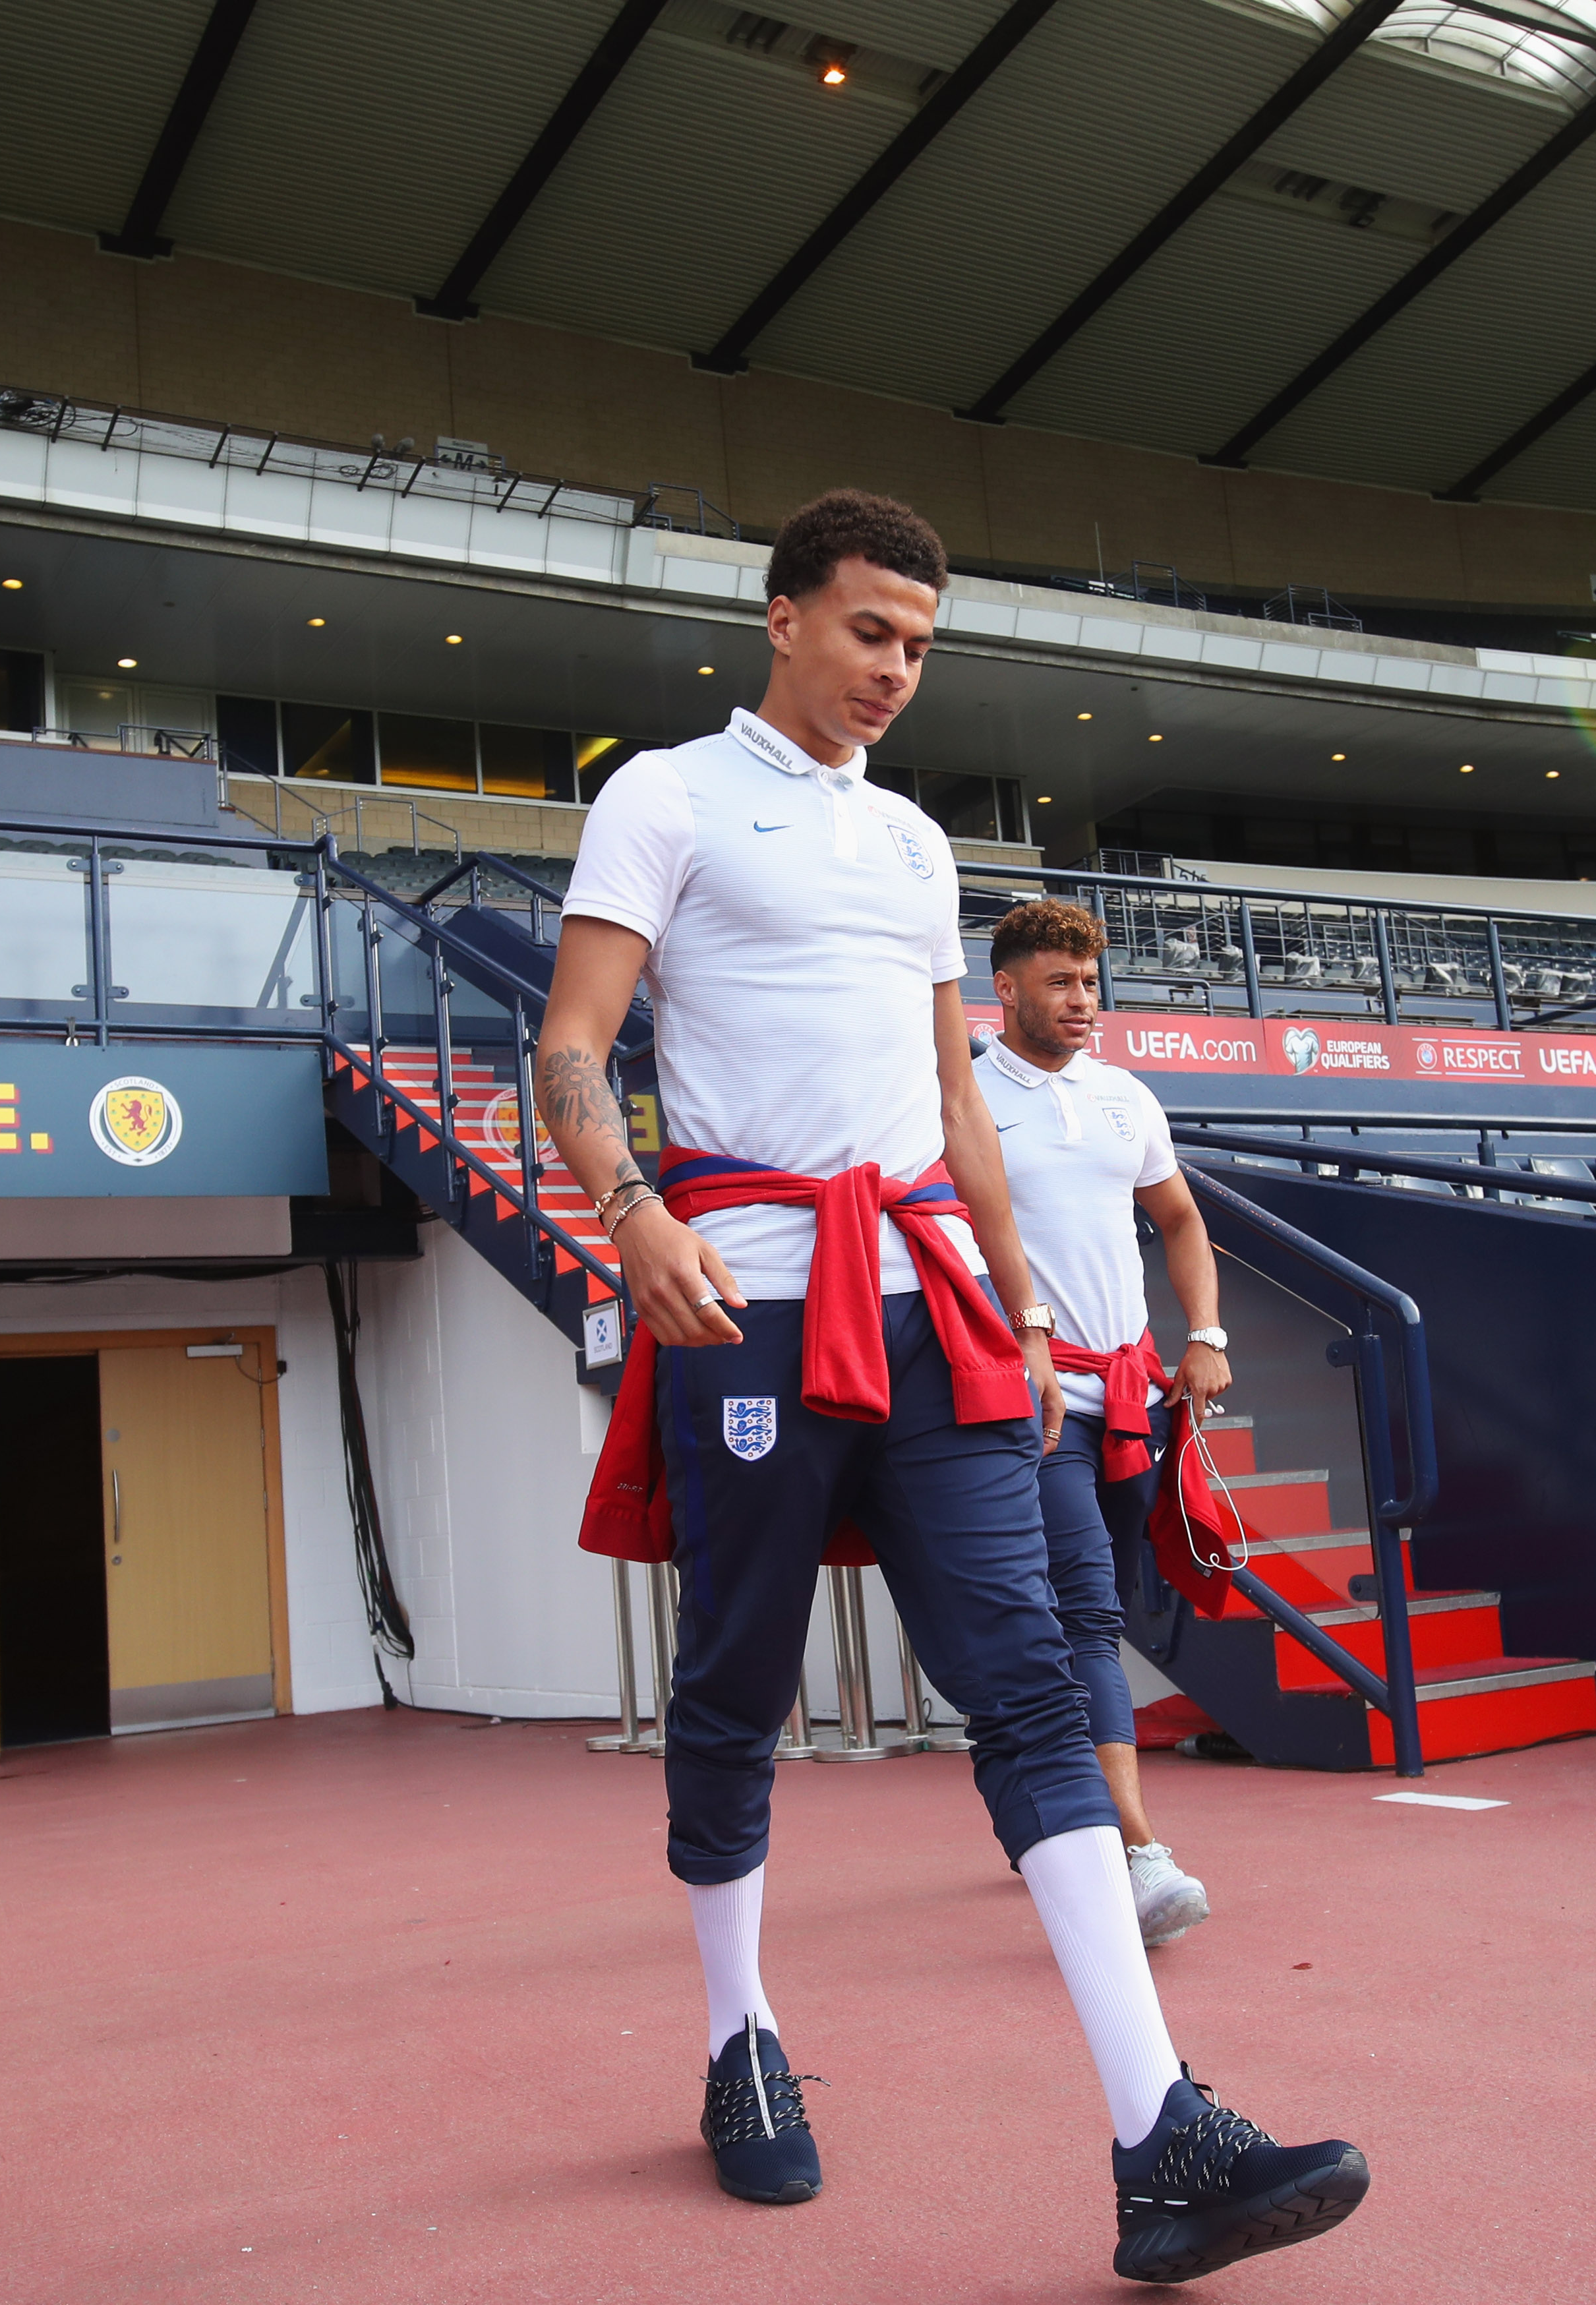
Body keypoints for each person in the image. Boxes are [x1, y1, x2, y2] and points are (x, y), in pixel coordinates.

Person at [541, 489, 1367, 2283]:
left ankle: (1162, 2133)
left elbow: (956, 1101)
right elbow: (570, 1052)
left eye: (918, 644)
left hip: (934, 1310)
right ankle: (736, 2041)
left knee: (1020, 1680)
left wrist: (1018, 1308)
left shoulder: (918, 844)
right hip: (747, 1301)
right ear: (781, 620)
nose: (896, 670)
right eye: (866, 632)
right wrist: (629, 1214)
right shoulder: (666, 796)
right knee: (738, 1685)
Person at [978, 897, 1229, 1948]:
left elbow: (1177, 1218)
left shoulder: (1124, 1097)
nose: (1081, 1002)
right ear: (1004, 991)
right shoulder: (963, 1094)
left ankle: (1037, 1798)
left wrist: (1205, 1334)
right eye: (1058, 983)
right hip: (1025, 1399)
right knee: (1085, 1611)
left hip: (1132, 1396)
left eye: (1089, 983)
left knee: (1096, 1609)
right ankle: (1132, 1851)